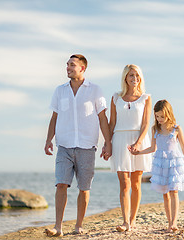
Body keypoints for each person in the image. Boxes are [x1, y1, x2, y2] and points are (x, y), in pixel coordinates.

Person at [44, 54, 112, 237]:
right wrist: (48, 139)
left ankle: (78, 225)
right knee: (61, 184)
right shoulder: (60, 91)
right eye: (67, 65)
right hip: (64, 146)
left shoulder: (95, 90)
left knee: (84, 188)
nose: (68, 67)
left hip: (86, 146)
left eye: (72, 65)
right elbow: (54, 118)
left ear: (82, 68)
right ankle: (58, 227)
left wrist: (108, 142)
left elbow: (102, 118)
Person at [129, 99, 184, 232]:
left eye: (162, 116)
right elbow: (153, 148)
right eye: (157, 116)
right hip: (161, 164)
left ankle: (174, 223)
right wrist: (139, 152)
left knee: (174, 191)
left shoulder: (176, 129)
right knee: (165, 193)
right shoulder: (155, 129)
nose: (159, 119)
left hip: (174, 163)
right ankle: (169, 221)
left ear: (168, 114)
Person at [106, 64, 152, 232]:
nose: (135, 79)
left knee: (136, 184)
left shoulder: (145, 98)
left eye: (137, 76)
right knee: (124, 184)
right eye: (131, 75)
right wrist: (107, 143)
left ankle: (132, 220)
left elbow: (146, 123)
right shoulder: (116, 97)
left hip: (139, 140)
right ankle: (125, 221)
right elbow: (112, 123)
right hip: (120, 139)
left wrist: (139, 143)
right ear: (125, 77)